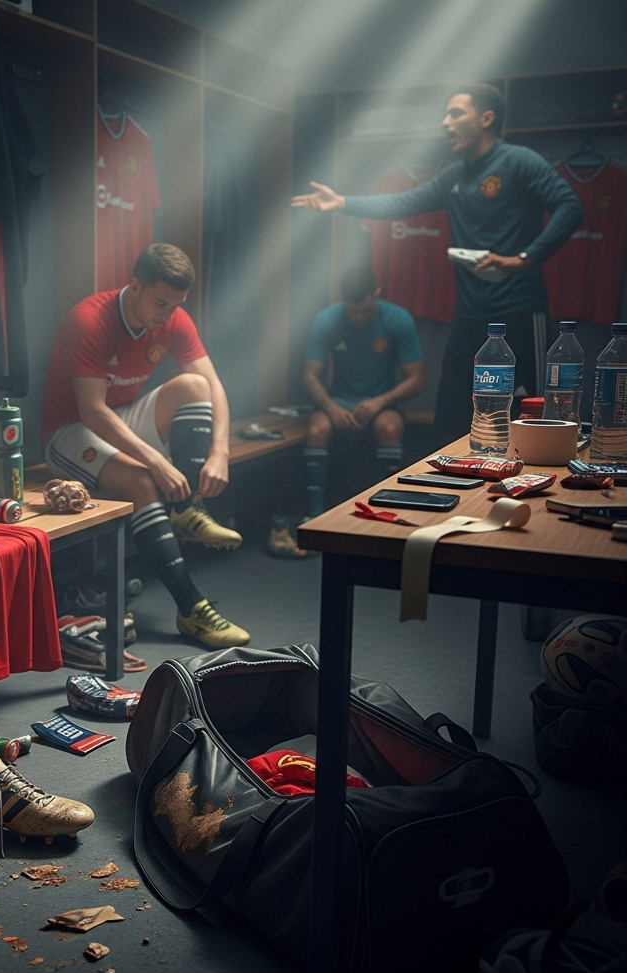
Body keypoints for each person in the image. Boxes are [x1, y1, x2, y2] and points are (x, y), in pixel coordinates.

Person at [292, 82, 584, 447]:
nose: (445, 122)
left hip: (519, 311)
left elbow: (570, 206)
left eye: (456, 113)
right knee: (450, 414)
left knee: (530, 415)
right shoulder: (455, 175)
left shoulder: (518, 160)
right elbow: (402, 202)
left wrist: (524, 258)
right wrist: (342, 203)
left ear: (486, 118)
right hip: (469, 316)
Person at [40, 243, 249, 649]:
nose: (166, 316)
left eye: (175, 306)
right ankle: (191, 608)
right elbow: (92, 412)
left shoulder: (172, 318)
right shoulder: (89, 320)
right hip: (68, 431)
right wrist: (155, 461)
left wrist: (219, 452)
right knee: (142, 481)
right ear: (135, 286)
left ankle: (187, 510)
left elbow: (214, 385)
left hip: (120, 417)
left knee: (194, 386)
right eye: (161, 303)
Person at [267, 266, 424, 558]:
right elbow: (310, 376)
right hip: (338, 400)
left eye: (365, 310)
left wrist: (379, 401)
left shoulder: (396, 319)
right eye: (353, 311)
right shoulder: (327, 319)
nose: (359, 318)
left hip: (381, 401)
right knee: (316, 430)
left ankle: (384, 514)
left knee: (390, 428)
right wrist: (331, 407)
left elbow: (416, 380)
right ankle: (312, 517)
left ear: (376, 294)